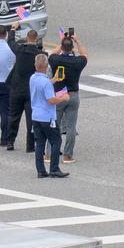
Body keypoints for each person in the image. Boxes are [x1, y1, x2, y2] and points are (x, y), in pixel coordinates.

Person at [47, 30, 86, 162]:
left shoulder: (55, 60)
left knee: (54, 125)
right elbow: (84, 54)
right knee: (70, 127)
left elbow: (52, 54)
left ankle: (49, 154)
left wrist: (62, 41)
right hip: (73, 95)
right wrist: (77, 40)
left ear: (62, 48)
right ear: (72, 48)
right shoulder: (78, 62)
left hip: (58, 95)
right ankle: (68, 155)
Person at [0, 26, 39, 148]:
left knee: (13, 116)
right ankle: (30, 145)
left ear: (27, 38)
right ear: (37, 40)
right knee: (31, 119)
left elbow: (10, 41)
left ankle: (10, 141)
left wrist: (12, 29)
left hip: (16, 89)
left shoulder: (19, 50)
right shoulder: (39, 55)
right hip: (31, 91)